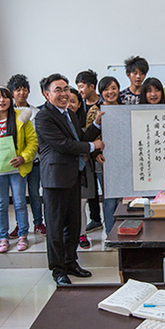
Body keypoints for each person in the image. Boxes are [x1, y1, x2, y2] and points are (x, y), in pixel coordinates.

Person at [35, 74, 104, 284]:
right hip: (55, 179)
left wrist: (97, 126)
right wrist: (94, 146)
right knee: (55, 226)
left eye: (66, 89)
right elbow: (63, 144)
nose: (64, 94)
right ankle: (58, 270)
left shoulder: (70, 114)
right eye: (58, 90)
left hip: (74, 176)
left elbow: (79, 139)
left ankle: (70, 261)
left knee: (73, 225)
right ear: (47, 94)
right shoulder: (43, 116)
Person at [0, 86, 38, 253]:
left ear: (10, 100)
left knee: (19, 203)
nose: (1, 100)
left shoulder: (21, 117)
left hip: (17, 169)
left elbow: (32, 141)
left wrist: (23, 157)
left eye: (5, 97)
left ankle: (23, 235)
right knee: (1, 204)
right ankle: (3, 237)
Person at [7, 74, 46, 236]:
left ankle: (38, 222)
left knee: (35, 193)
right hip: (16, 163)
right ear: (11, 93)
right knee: (19, 195)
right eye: (18, 90)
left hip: (35, 161)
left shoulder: (36, 112)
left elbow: (39, 138)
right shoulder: (7, 114)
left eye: (25, 90)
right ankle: (20, 225)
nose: (22, 93)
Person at [87, 76, 121, 235]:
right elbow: (89, 135)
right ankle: (110, 234)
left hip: (121, 161)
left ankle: (122, 232)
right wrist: (95, 154)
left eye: (113, 88)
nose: (110, 92)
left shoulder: (123, 109)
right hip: (103, 160)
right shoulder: (95, 110)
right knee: (109, 199)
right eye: (106, 89)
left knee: (121, 198)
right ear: (101, 92)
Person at [75, 70, 104, 233]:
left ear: (92, 87)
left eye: (82, 87)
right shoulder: (80, 105)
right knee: (91, 189)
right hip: (86, 153)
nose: (80, 90)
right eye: (78, 87)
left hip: (100, 152)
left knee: (104, 189)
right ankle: (95, 219)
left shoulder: (103, 103)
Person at [68, 87, 94, 250]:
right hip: (66, 169)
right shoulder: (59, 120)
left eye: (73, 101)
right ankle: (71, 234)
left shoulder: (84, 121)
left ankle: (82, 233)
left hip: (84, 169)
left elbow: (88, 141)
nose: (70, 104)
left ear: (79, 104)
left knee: (82, 203)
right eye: (67, 100)